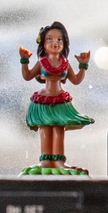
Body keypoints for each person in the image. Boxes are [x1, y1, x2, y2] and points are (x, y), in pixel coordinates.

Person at [18, 21, 93, 175]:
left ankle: (59, 161)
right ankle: (46, 160)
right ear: (43, 44)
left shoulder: (65, 63)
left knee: (59, 130)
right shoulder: (42, 63)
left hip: (60, 101)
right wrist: (24, 61)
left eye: (59, 39)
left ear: (64, 43)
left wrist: (83, 66)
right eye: (50, 39)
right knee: (45, 130)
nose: (55, 43)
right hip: (43, 101)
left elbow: (76, 80)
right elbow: (27, 76)